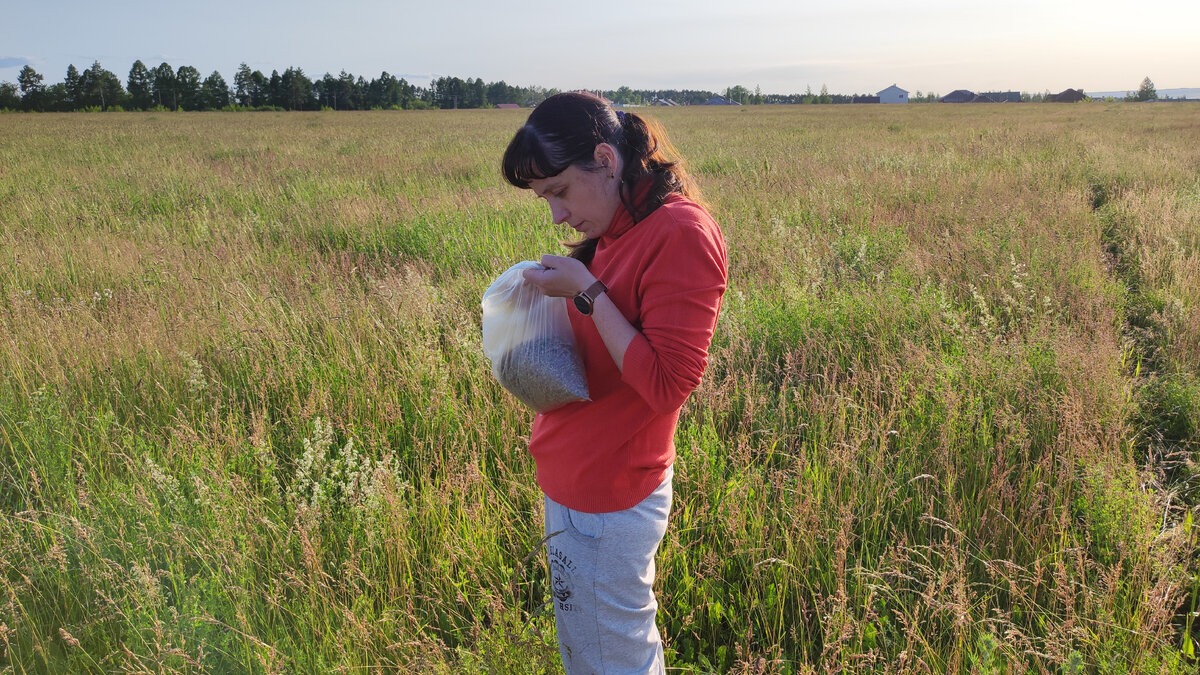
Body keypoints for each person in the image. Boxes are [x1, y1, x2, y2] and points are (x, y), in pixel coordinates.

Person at [501, 92, 727, 674]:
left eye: (559, 192)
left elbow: (669, 384)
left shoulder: (679, 233)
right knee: (589, 653)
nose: (556, 214)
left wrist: (587, 290)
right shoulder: (619, 227)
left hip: (611, 492)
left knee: (617, 659)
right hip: (573, 481)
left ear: (605, 157)